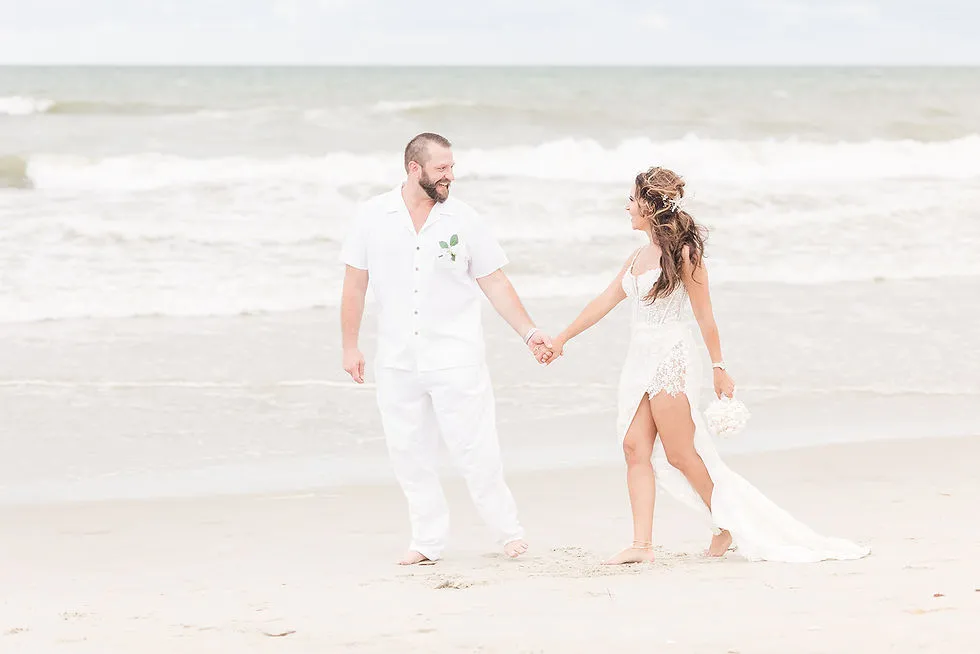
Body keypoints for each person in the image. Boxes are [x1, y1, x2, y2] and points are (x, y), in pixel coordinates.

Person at [541, 166, 870, 565]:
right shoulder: (636, 257)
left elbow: (705, 316)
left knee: (681, 453)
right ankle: (642, 546)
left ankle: (724, 524)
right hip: (639, 359)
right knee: (633, 447)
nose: (627, 206)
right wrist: (560, 340)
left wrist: (719, 366)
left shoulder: (685, 254)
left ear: (649, 204)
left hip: (672, 359)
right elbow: (603, 302)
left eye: (632, 199)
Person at [339, 133, 551, 565]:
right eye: (442, 168)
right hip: (397, 360)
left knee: (476, 448)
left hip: (457, 356)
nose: (450, 176)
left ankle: (507, 531)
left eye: (451, 167)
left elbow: (495, 281)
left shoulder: (465, 219)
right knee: (408, 453)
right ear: (414, 169)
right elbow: (355, 284)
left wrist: (529, 333)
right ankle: (427, 541)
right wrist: (350, 346)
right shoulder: (371, 216)